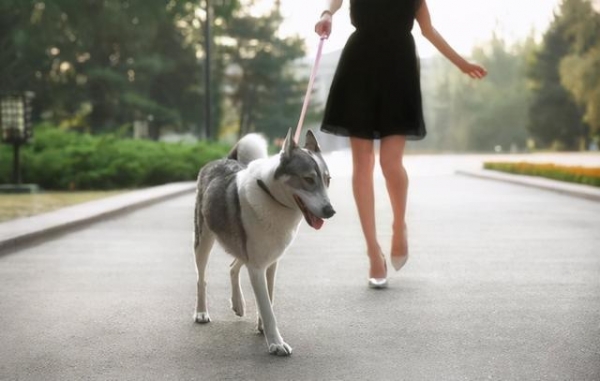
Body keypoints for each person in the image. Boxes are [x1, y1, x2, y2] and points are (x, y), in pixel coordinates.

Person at [314, 0, 487, 288]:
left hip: (399, 70)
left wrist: (463, 64)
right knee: (363, 163)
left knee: (390, 163)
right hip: (359, 67)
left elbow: (428, 31)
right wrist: (326, 14)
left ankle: (398, 225)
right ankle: (372, 252)